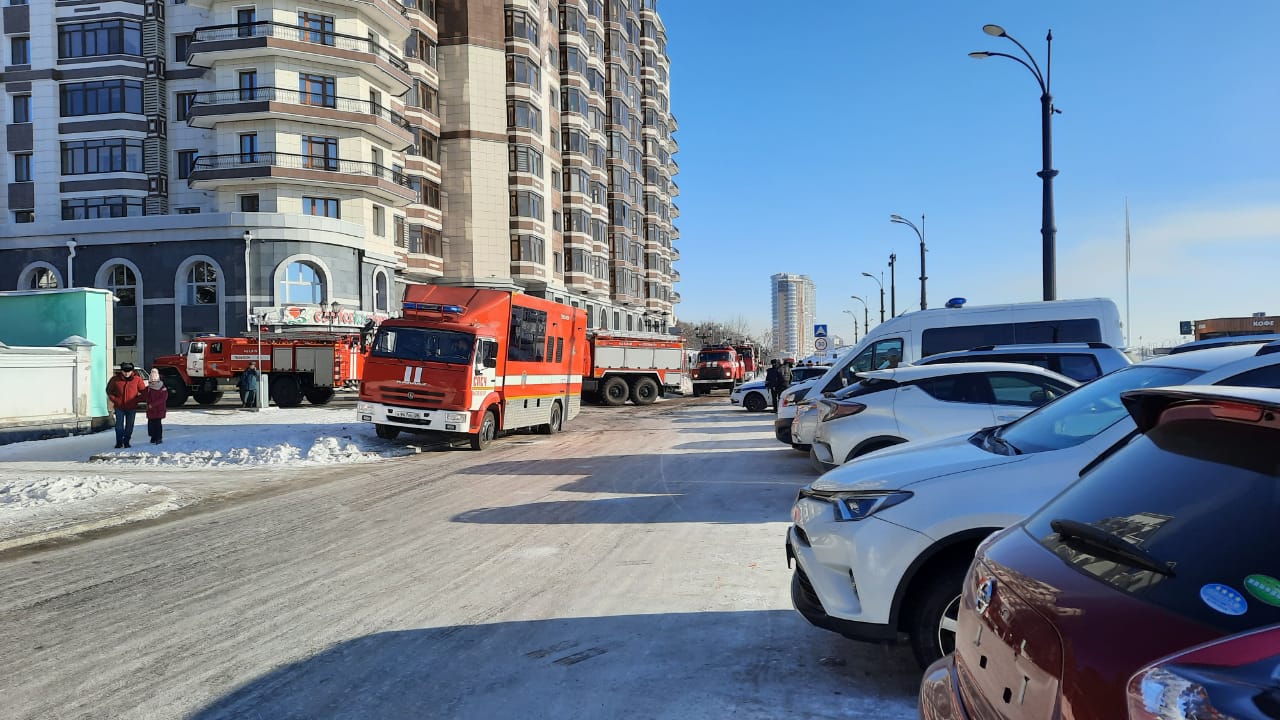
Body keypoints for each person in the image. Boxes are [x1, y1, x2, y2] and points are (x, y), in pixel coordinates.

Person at [105, 362, 147, 449]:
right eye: (125, 371)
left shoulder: (137, 379)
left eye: (129, 371)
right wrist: (115, 400)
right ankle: (119, 442)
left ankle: (126, 441)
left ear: (132, 371)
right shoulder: (115, 379)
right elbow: (109, 391)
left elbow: (144, 393)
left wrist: (136, 400)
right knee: (119, 425)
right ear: (121, 371)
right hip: (119, 406)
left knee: (129, 425)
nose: (127, 373)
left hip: (131, 407)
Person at [143, 369, 169, 444]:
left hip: (159, 409)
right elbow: (145, 396)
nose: (153, 382)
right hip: (150, 409)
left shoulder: (162, 387)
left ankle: (158, 438)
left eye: (154, 380)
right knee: (151, 424)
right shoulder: (148, 388)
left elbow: (163, 398)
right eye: (152, 380)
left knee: (157, 424)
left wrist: (152, 404)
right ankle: (153, 436)